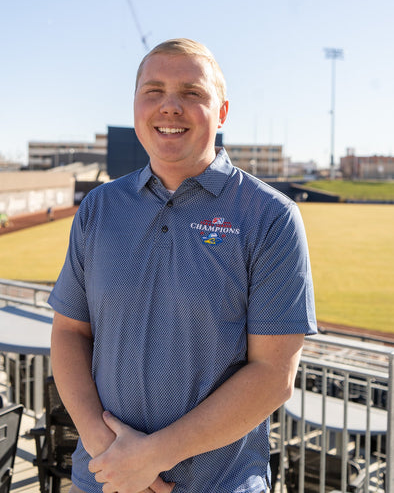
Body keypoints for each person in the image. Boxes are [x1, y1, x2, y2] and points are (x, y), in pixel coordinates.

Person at [49, 38, 317, 493]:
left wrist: (152, 458)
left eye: (192, 93)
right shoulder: (99, 208)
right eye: (153, 91)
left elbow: (273, 376)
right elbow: (70, 333)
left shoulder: (270, 216)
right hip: (101, 480)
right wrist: (110, 452)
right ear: (136, 106)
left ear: (222, 112)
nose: (169, 107)